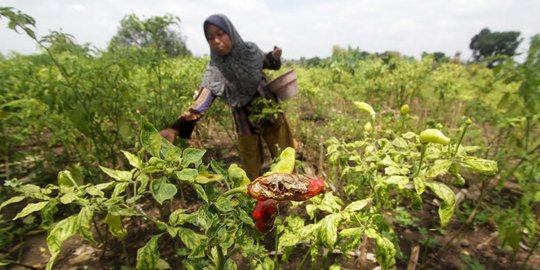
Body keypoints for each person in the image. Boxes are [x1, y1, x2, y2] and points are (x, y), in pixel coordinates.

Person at [159, 14, 295, 180]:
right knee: (250, 163)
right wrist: (176, 127)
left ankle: (291, 191)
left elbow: (267, 61)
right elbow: (203, 100)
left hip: (269, 110)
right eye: (210, 37)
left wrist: (274, 57)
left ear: (231, 33)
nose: (216, 41)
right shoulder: (215, 69)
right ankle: (257, 199)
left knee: (285, 154)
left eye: (220, 34)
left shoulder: (250, 50)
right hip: (244, 119)